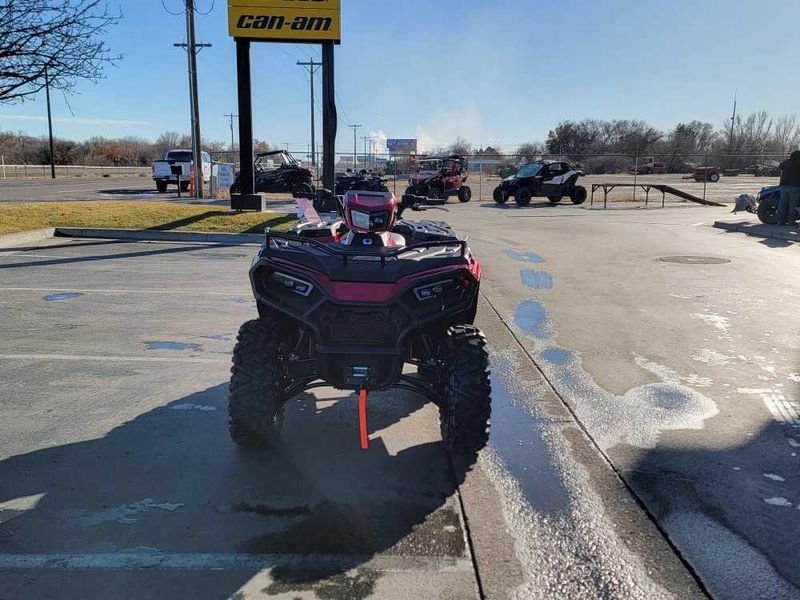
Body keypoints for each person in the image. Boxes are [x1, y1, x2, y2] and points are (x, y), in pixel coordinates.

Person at [776, 150, 800, 225]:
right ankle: (791, 221)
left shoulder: (787, 162)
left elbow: (780, 166)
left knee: (782, 203)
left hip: (783, 185)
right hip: (795, 186)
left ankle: (780, 221)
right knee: (793, 204)